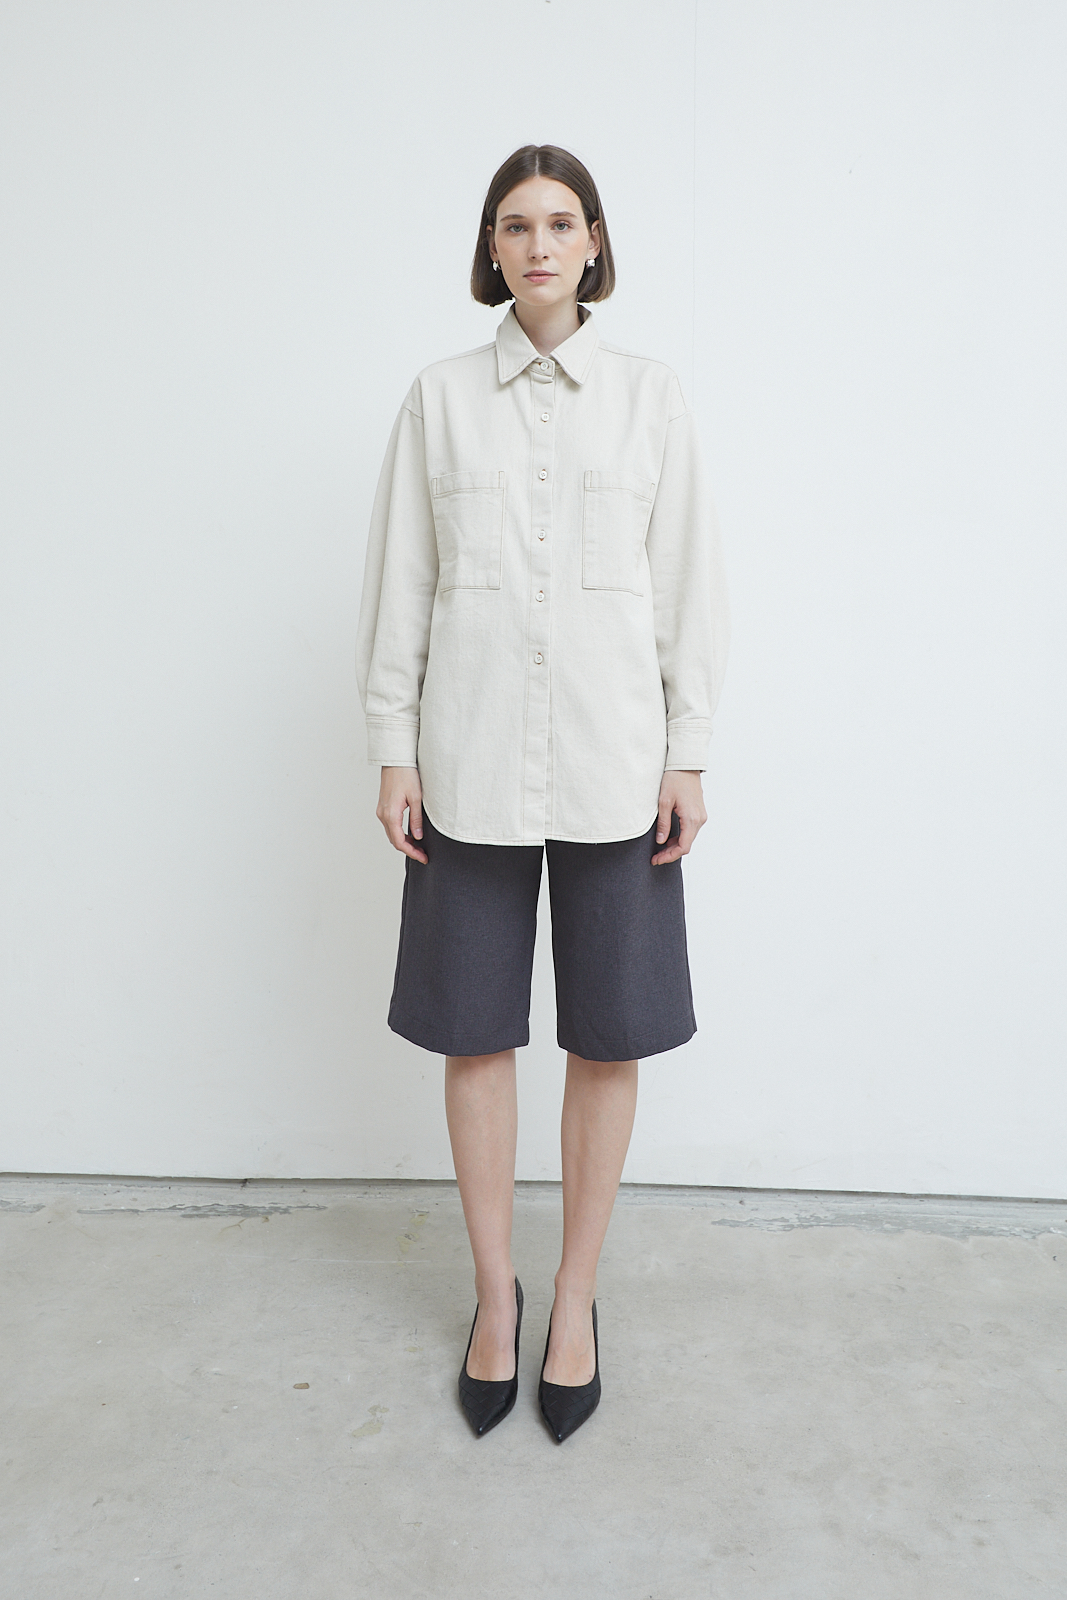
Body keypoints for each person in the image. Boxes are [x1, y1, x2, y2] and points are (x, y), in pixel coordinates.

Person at [355, 144, 730, 1442]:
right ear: (491, 247)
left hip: (617, 765)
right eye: (515, 225)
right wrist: (393, 746)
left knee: (608, 1034)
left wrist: (688, 751)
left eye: (561, 223)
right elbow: (403, 583)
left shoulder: (650, 398)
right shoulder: (439, 399)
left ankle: (573, 1297)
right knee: (473, 1032)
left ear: (594, 242)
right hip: (464, 764)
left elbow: (688, 586)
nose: (538, 245)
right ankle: (493, 1297)